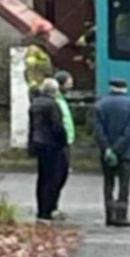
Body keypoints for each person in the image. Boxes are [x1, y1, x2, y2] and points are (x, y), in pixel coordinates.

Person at [94, 77, 130, 227]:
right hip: (126, 152)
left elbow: (99, 131)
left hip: (106, 153)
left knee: (108, 183)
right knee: (124, 185)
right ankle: (121, 216)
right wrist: (117, 149)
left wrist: (108, 149)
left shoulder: (100, 105)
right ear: (125, 88)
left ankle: (109, 215)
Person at [28, 77, 68, 224]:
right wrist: (63, 141)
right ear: (55, 91)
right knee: (53, 179)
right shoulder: (53, 105)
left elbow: (32, 127)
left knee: (42, 179)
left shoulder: (35, 104)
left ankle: (41, 210)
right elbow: (57, 127)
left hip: (39, 144)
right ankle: (48, 210)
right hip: (52, 146)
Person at [52, 70, 78, 221]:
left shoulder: (61, 99)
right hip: (61, 143)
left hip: (66, 142)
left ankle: (54, 206)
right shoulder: (56, 101)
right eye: (69, 81)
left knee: (62, 175)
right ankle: (52, 207)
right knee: (57, 176)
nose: (71, 83)